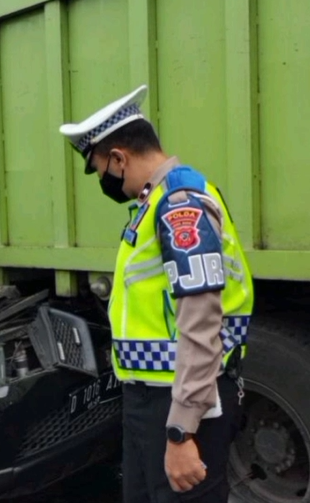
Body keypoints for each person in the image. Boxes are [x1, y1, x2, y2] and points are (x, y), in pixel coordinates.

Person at [58, 84, 254, 502]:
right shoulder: (155, 204)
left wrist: (182, 429)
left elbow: (201, 319)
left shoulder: (181, 204)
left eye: (99, 169)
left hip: (182, 400)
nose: (103, 181)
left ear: (118, 157)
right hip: (152, 396)